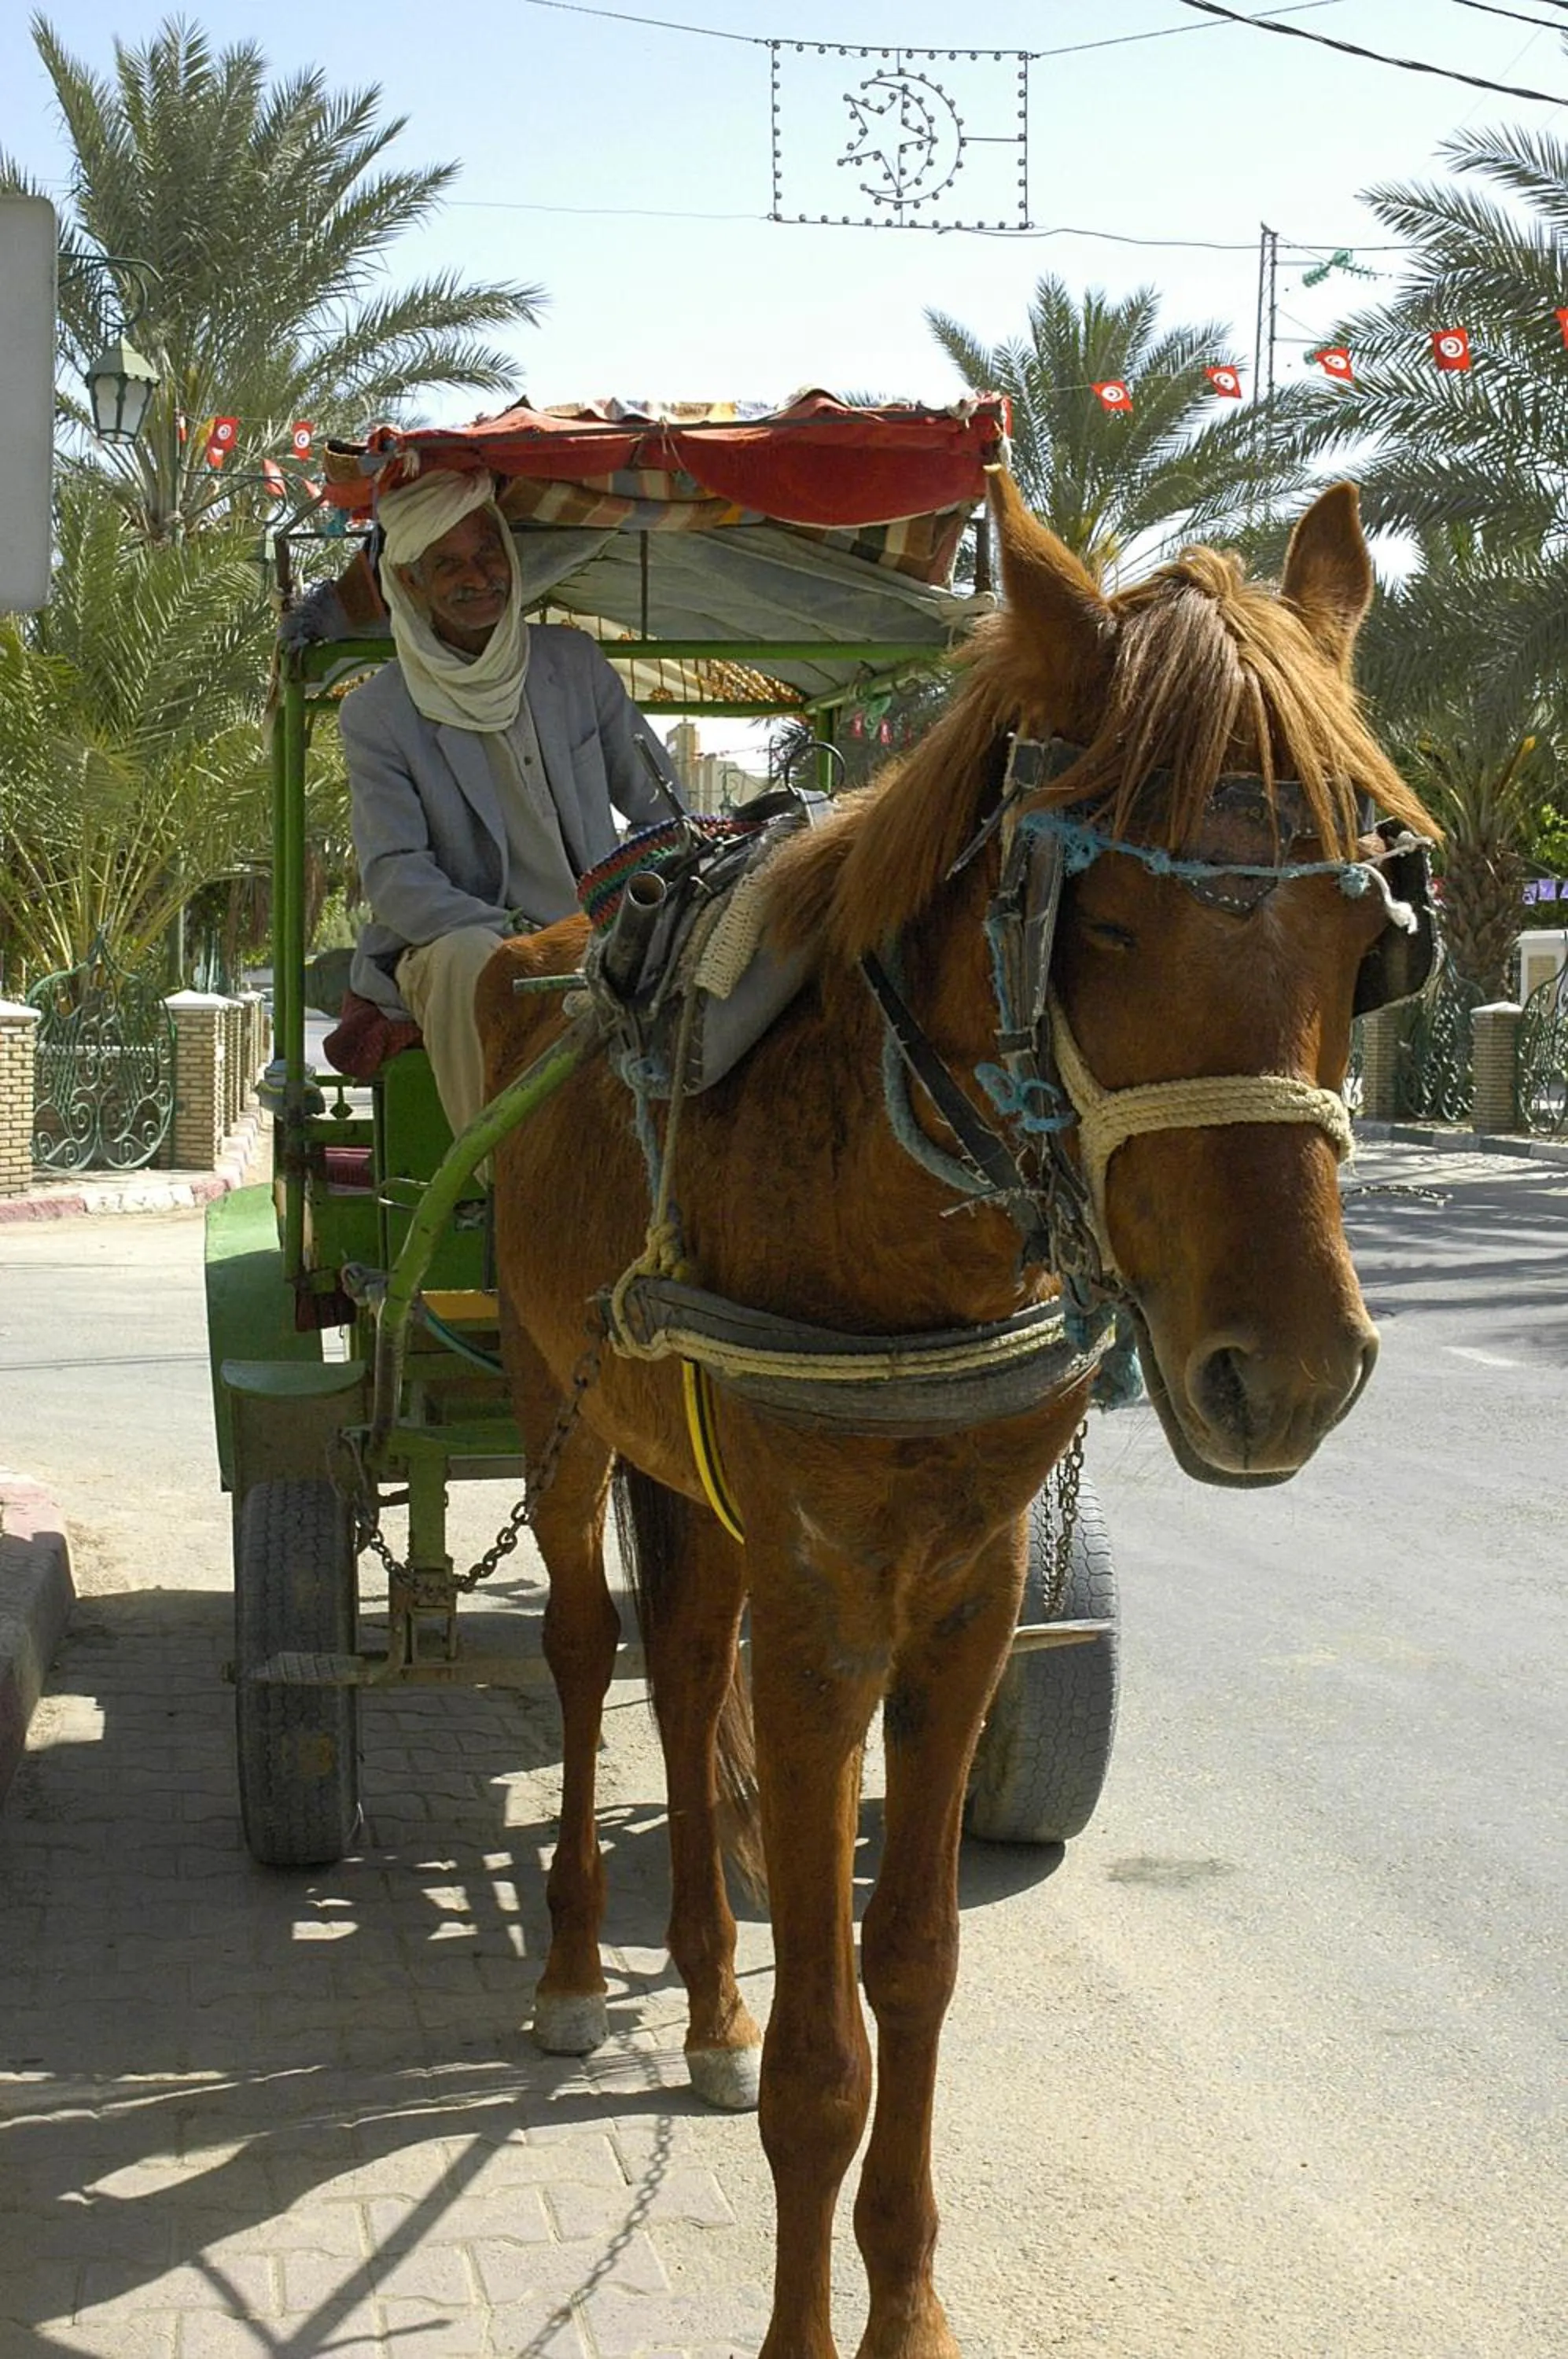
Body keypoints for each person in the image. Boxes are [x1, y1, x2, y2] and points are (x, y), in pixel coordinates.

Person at [340, 468, 683, 1133]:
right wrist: (523, 941)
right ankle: (504, 1175)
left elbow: (661, 813)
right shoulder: (377, 714)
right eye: (449, 565)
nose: (478, 577)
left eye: (487, 553)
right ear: (410, 583)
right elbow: (396, 879)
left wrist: (645, 908)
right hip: (459, 935)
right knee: (476, 961)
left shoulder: (574, 665)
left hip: (596, 927)